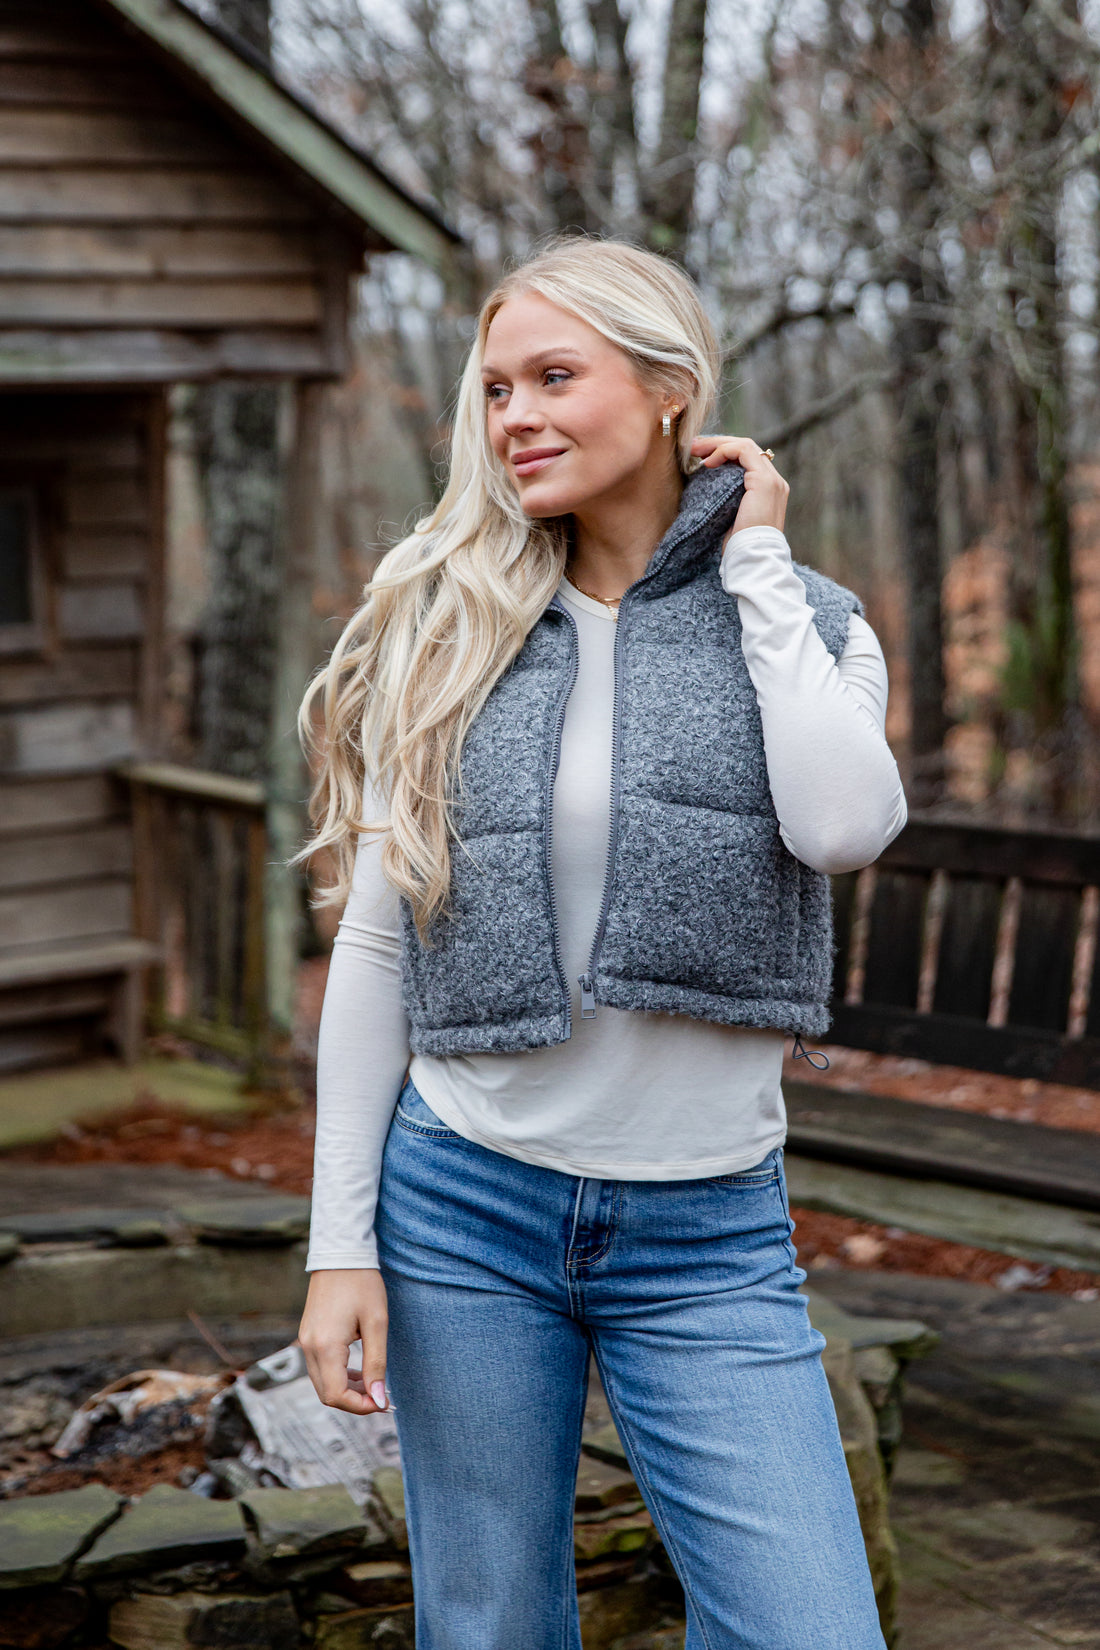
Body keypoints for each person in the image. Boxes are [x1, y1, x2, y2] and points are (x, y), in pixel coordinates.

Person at [295, 235, 906, 1650]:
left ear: (671, 389)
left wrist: (754, 561)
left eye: (555, 376)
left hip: (708, 1233)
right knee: (492, 1623)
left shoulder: (808, 624)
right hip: (464, 1207)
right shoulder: (447, 630)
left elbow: (842, 826)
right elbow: (377, 957)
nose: (513, 415)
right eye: (497, 386)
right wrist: (341, 1246)